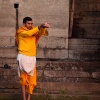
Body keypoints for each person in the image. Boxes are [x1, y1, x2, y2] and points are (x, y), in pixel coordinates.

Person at [15, 17, 50, 100]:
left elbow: (41, 33)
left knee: (31, 79)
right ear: (24, 24)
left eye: (31, 23)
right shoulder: (20, 31)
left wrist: (43, 27)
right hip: (23, 56)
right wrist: (39, 27)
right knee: (23, 80)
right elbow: (29, 34)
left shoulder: (34, 29)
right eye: (28, 23)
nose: (30, 25)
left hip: (32, 56)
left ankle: (28, 99)